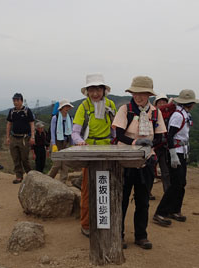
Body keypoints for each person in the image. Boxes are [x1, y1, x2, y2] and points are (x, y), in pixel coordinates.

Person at [112, 76, 167, 249]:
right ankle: (118, 235)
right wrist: (136, 142)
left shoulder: (155, 112)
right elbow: (119, 135)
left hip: (146, 161)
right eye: (135, 93)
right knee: (121, 200)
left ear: (149, 94)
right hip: (125, 161)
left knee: (143, 200)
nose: (138, 97)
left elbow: (160, 136)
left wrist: (150, 145)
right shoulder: (125, 110)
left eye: (142, 93)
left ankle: (141, 236)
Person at [72, 73, 117, 237]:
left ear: (104, 90)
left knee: (109, 187)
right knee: (87, 188)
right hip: (89, 150)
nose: (95, 93)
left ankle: (108, 220)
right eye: (92, 89)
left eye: (98, 89)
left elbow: (114, 130)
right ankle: (86, 224)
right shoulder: (83, 107)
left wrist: (117, 141)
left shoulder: (111, 105)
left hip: (108, 151)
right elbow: (75, 132)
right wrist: (80, 142)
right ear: (87, 91)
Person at [153, 89, 199, 226]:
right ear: (191, 103)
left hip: (182, 152)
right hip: (176, 152)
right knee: (176, 184)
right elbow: (170, 135)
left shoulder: (184, 114)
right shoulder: (178, 116)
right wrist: (173, 154)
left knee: (181, 183)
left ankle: (174, 209)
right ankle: (160, 213)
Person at [6, 93, 35, 184]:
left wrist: (32, 136)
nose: (15, 102)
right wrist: (7, 137)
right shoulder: (12, 112)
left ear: (21, 101)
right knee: (15, 157)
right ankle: (19, 176)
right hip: (14, 137)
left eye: (17, 100)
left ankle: (31, 175)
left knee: (24, 158)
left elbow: (31, 123)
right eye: (14, 100)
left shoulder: (27, 111)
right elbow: (9, 124)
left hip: (24, 137)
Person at [48, 99, 74, 183]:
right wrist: (53, 144)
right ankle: (48, 179)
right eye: (65, 106)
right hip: (57, 142)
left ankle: (62, 182)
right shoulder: (55, 118)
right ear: (61, 108)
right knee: (57, 164)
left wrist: (72, 144)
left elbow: (72, 132)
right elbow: (52, 131)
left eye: (68, 106)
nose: (67, 108)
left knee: (65, 164)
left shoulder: (70, 118)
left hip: (65, 142)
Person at [152, 93, 171, 195]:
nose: (162, 104)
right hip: (154, 146)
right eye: (160, 102)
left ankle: (167, 194)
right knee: (150, 171)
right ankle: (147, 192)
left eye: (164, 102)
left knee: (165, 171)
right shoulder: (152, 114)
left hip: (163, 147)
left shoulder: (170, 116)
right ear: (156, 104)